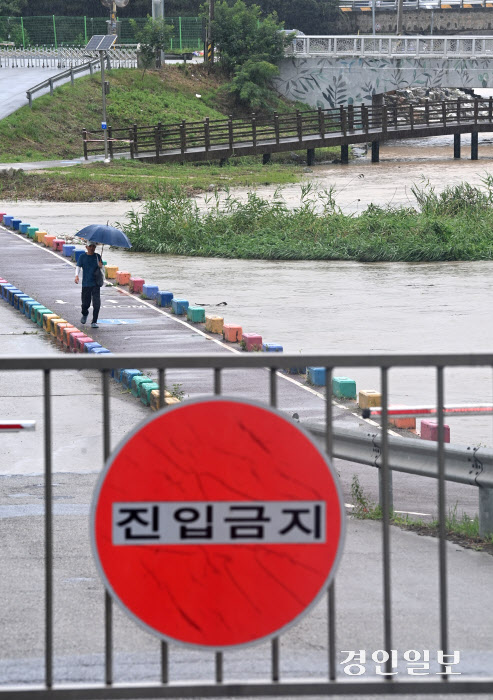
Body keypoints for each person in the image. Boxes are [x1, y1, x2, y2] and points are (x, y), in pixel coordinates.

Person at [74, 243, 103, 329]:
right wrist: (76, 276)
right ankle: (85, 313)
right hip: (86, 284)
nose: (92, 248)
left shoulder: (98, 256)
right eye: (90, 246)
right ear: (86, 247)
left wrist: (101, 266)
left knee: (97, 304)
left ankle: (94, 321)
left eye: (93, 246)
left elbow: (102, 270)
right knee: (85, 304)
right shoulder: (82, 257)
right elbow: (78, 266)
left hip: (96, 284)